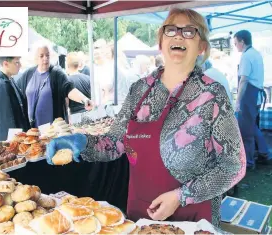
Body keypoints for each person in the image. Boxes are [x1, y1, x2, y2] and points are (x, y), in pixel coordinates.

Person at [46, 8, 246, 226]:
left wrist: (181, 196)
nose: (179, 35)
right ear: (160, 43)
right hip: (142, 213)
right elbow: (114, 143)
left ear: (202, 47)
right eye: (171, 30)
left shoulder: (212, 95)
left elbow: (233, 166)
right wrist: (83, 142)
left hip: (193, 218)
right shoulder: (139, 90)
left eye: (190, 31)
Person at [16, 41, 93, 128]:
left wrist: (84, 99)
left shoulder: (57, 73)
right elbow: (17, 92)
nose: (45, 58)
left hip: (54, 129)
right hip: (33, 129)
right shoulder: (28, 74)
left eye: (47, 55)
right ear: (35, 58)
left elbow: (69, 89)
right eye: (41, 56)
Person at [234, 30, 270, 169]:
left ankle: (249, 162)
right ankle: (264, 152)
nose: (236, 46)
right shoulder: (256, 53)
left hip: (249, 95)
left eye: (236, 43)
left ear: (242, 42)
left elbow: (243, 80)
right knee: (252, 126)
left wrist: (238, 101)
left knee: (246, 131)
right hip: (256, 95)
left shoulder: (247, 56)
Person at [0, 57, 29, 142]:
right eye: (16, 62)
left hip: (17, 137)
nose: (20, 65)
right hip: (10, 143)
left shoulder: (9, 80)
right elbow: (6, 121)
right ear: (6, 64)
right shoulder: (0, 85)